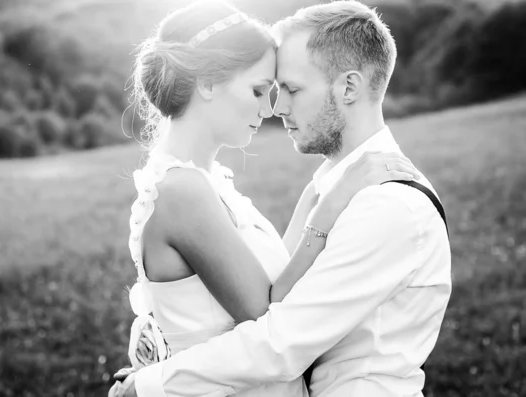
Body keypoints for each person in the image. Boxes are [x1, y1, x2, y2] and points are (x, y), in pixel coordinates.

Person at [112, 1, 452, 397]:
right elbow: (274, 322)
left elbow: (278, 315)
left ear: (349, 87)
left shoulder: (386, 204)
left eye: (287, 88)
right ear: (206, 83)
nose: (273, 106)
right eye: (261, 90)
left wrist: (152, 381)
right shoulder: (186, 190)